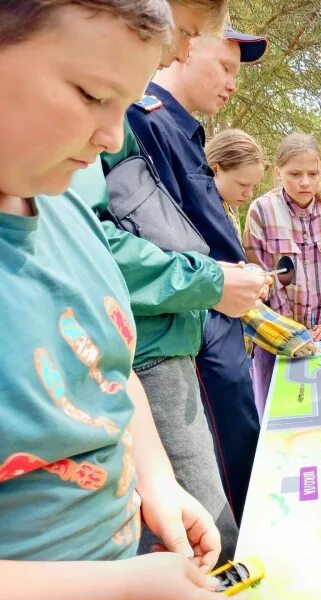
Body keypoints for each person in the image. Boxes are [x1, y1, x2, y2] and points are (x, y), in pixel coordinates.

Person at [0, 1, 221, 597]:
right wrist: (117, 588)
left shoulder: (66, 199)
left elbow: (106, 366)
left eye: (125, 103)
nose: (112, 136)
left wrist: (157, 480)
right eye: (92, 94)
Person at [70, 2, 265, 563]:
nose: (177, 48)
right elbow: (103, 242)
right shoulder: (141, 119)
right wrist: (207, 282)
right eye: (188, 35)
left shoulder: (160, 122)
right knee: (207, 537)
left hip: (175, 339)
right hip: (163, 343)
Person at [127, 25, 268, 524]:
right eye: (225, 67)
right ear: (186, 46)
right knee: (220, 502)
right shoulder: (145, 122)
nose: (232, 82)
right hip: (187, 330)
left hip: (213, 321)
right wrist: (216, 284)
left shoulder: (179, 127)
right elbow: (146, 241)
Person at [206, 128, 316, 419]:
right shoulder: (205, 214)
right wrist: (288, 336)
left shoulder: (227, 208)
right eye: (243, 184)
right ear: (215, 169)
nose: (248, 193)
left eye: (253, 185)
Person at [245, 134, 321, 403]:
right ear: (278, 172)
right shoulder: (261, 211)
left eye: (313, 173)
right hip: (278, 337)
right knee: (281, 408)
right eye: (295, 174)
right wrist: (291, 330)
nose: (305, 182)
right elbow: (262, 276)